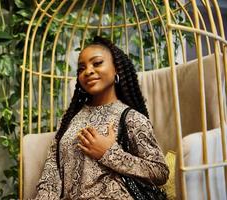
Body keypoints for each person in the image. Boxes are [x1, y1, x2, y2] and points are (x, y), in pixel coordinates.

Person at [34, 36, 169, 199]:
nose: (88, 71)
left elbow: (160, 171)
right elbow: (52, 169)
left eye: (97, 63)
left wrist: (109, 153)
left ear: (116, 69)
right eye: (81, 68)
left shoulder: (132, 118)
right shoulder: (69, 118)